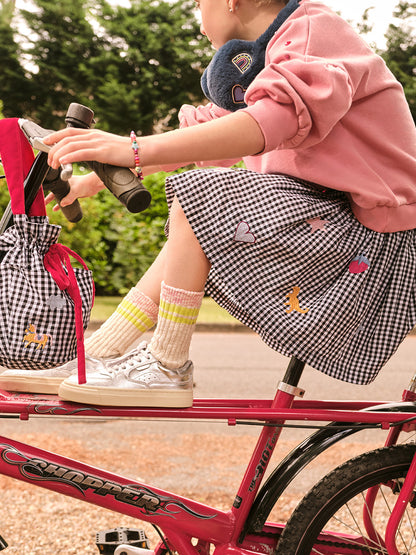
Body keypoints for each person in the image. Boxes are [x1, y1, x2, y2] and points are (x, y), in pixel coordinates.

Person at [1, 0, 415, 407]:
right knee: (195, 219)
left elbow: (267, 122)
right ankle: (98, 355)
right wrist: (94, 179)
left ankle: (167, 364)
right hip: (333, 225)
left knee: (200, 197)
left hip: (374, 243)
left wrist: (134, 150)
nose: (197, 16)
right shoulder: (269, 59)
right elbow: (214, 134)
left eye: (199, 2)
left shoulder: (313, 32)